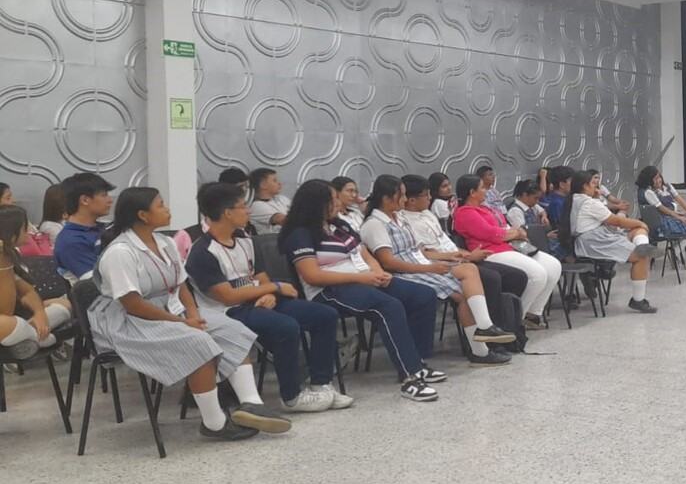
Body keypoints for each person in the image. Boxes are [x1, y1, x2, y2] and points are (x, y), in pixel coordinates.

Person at [89, 187, 290, 440]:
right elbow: (133, 305)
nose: (168, 209)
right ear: (142, 214)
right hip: (131, 322)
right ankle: (214, 423)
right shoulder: (120, 252)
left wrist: (193, 315)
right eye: (161, 205)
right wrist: (183, 323)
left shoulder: (165, 243)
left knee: (231, 328)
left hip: (170, 311)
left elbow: (181, 284)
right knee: (198, 341)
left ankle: (252, 403)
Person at [185, 182, 351, 413]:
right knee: (286, 326)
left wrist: (270, 292)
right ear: (227, 213)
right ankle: (291, 396)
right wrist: (274, 287)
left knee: (324, 315)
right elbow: (228, 296)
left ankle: (321, 383)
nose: (248, 211)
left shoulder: (244, 239)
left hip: (258, 301)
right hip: (228, 312)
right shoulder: (202, 252)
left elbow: (261, 277)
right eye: (243, 207)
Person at [279, 179, 443, 402]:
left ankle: (417, 360)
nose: (338, 203)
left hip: (363, 278)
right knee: (388, 306)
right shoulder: (300, 234)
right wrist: (362, 277)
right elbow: (312, 276)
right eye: (333, 199)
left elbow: (363, 252)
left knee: (423, 295)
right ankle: (410, 376)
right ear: (316, 203)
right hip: (329, 289)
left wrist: (377, 272)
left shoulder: (339, 225)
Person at [360, 175, 514, 366]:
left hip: (422, 264)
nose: (405, 199)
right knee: (464, 294)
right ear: (386, 198)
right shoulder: (375, 225)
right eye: (401, 195)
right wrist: (430, 267)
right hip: (409, 272)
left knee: (469, 271)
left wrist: (449, 258)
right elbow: (389, 263)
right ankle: (480, 347)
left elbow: (420, 250)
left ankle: (484, 329)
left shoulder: (398, 218)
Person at [399, 176, 529, 341]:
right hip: (442, 264)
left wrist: (465, 254)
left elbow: (447, 244)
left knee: (516, 276)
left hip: (459, 257)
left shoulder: (427, 214)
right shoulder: (407, 222)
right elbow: (424, 254)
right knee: (492, 278)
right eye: (426, 195)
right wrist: (464, 256)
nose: (430, 198)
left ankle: (508, 325)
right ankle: (490, 330)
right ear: (411, 200)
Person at [453, 174, 562, 330]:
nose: (486, 190)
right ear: (472, 192)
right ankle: (516, 319)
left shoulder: (485, 209)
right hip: (491, 252)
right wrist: (517, 233)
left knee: (553, 266)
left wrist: (513, 233)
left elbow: (503, 228)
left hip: (509, 246)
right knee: (538, 274)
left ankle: (533, 314)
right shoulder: (465, 213)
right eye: (482, 187)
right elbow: (492, 234)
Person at [560, 171, 658, 313]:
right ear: (584, 186)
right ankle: (638, 300)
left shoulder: (574, 199)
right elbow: (617, 220)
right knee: (641, 255)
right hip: (594, 241)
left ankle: (641, 247)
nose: (597, 188)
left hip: (591, 238)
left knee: (637, 232)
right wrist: (642, 223)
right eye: (594, 184)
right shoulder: (589, 203)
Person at [0, 206, 73, 360]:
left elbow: (27, 291)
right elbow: (5, 310)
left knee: (64, 304)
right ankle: (42, 339)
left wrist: (39, 313)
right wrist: (4, 265)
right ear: (11, 234)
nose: (30, 232)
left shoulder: (12, 254)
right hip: (6, 319)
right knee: (3, 322)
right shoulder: (3, 260)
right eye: (25, 228)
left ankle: (25, 339)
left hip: (17, 317)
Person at [54, 172, 115, 281]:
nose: (110, 200)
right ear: (85, 200)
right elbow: (96, 283)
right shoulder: (71, 241)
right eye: (104, 195)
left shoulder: (104, 228)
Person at [249, 168, 290, 234]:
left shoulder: (282, 198)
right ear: (263, 185)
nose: (279, 183)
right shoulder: (256, 206)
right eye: (274, 181)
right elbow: (283, 220)